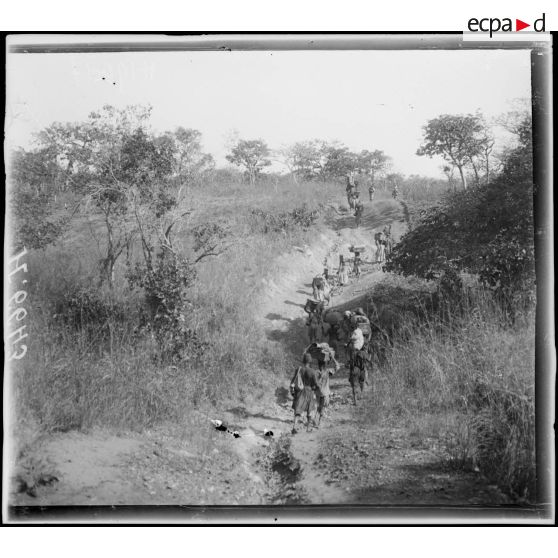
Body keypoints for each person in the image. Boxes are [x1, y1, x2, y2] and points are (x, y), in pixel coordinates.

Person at [290, 353, 319, 433]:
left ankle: (294, 427)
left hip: (300, 392)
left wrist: (293, 392)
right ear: (310, 361)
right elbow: (316, 384)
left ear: (303, 360)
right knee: (310, 410)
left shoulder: (298, 369)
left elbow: (293, 381)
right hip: (309, 392)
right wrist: (315, 388)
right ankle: (308, 428)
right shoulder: (313, 371)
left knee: (298, 410)